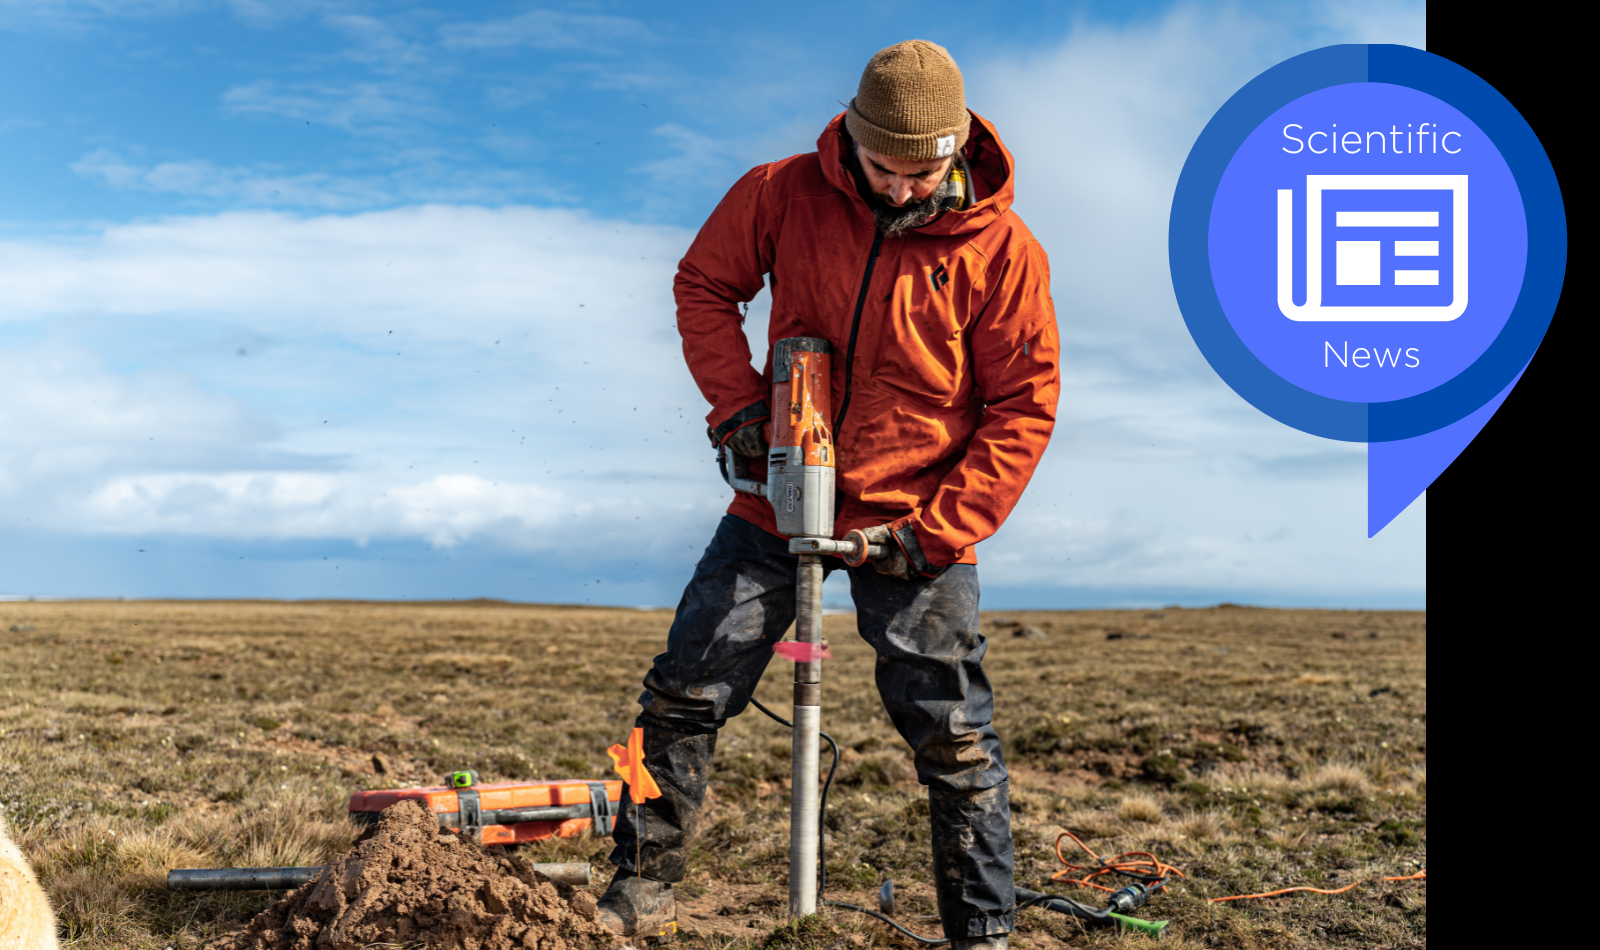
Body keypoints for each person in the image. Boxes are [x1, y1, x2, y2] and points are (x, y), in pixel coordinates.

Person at [597, 39, 1059, 950]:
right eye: (885, 168)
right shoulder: (777, 192)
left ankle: (985, 929)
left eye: (924, 171)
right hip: (778, 496)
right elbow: (703, 285)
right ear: (852, 135)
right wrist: (737, 407)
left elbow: (1021, 406)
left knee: (954, 737)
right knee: (684, 693)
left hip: (917, 518)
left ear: (958, 147)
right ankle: (641, 886)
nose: (901, 191)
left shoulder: (1001, 251)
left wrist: (937, 532)